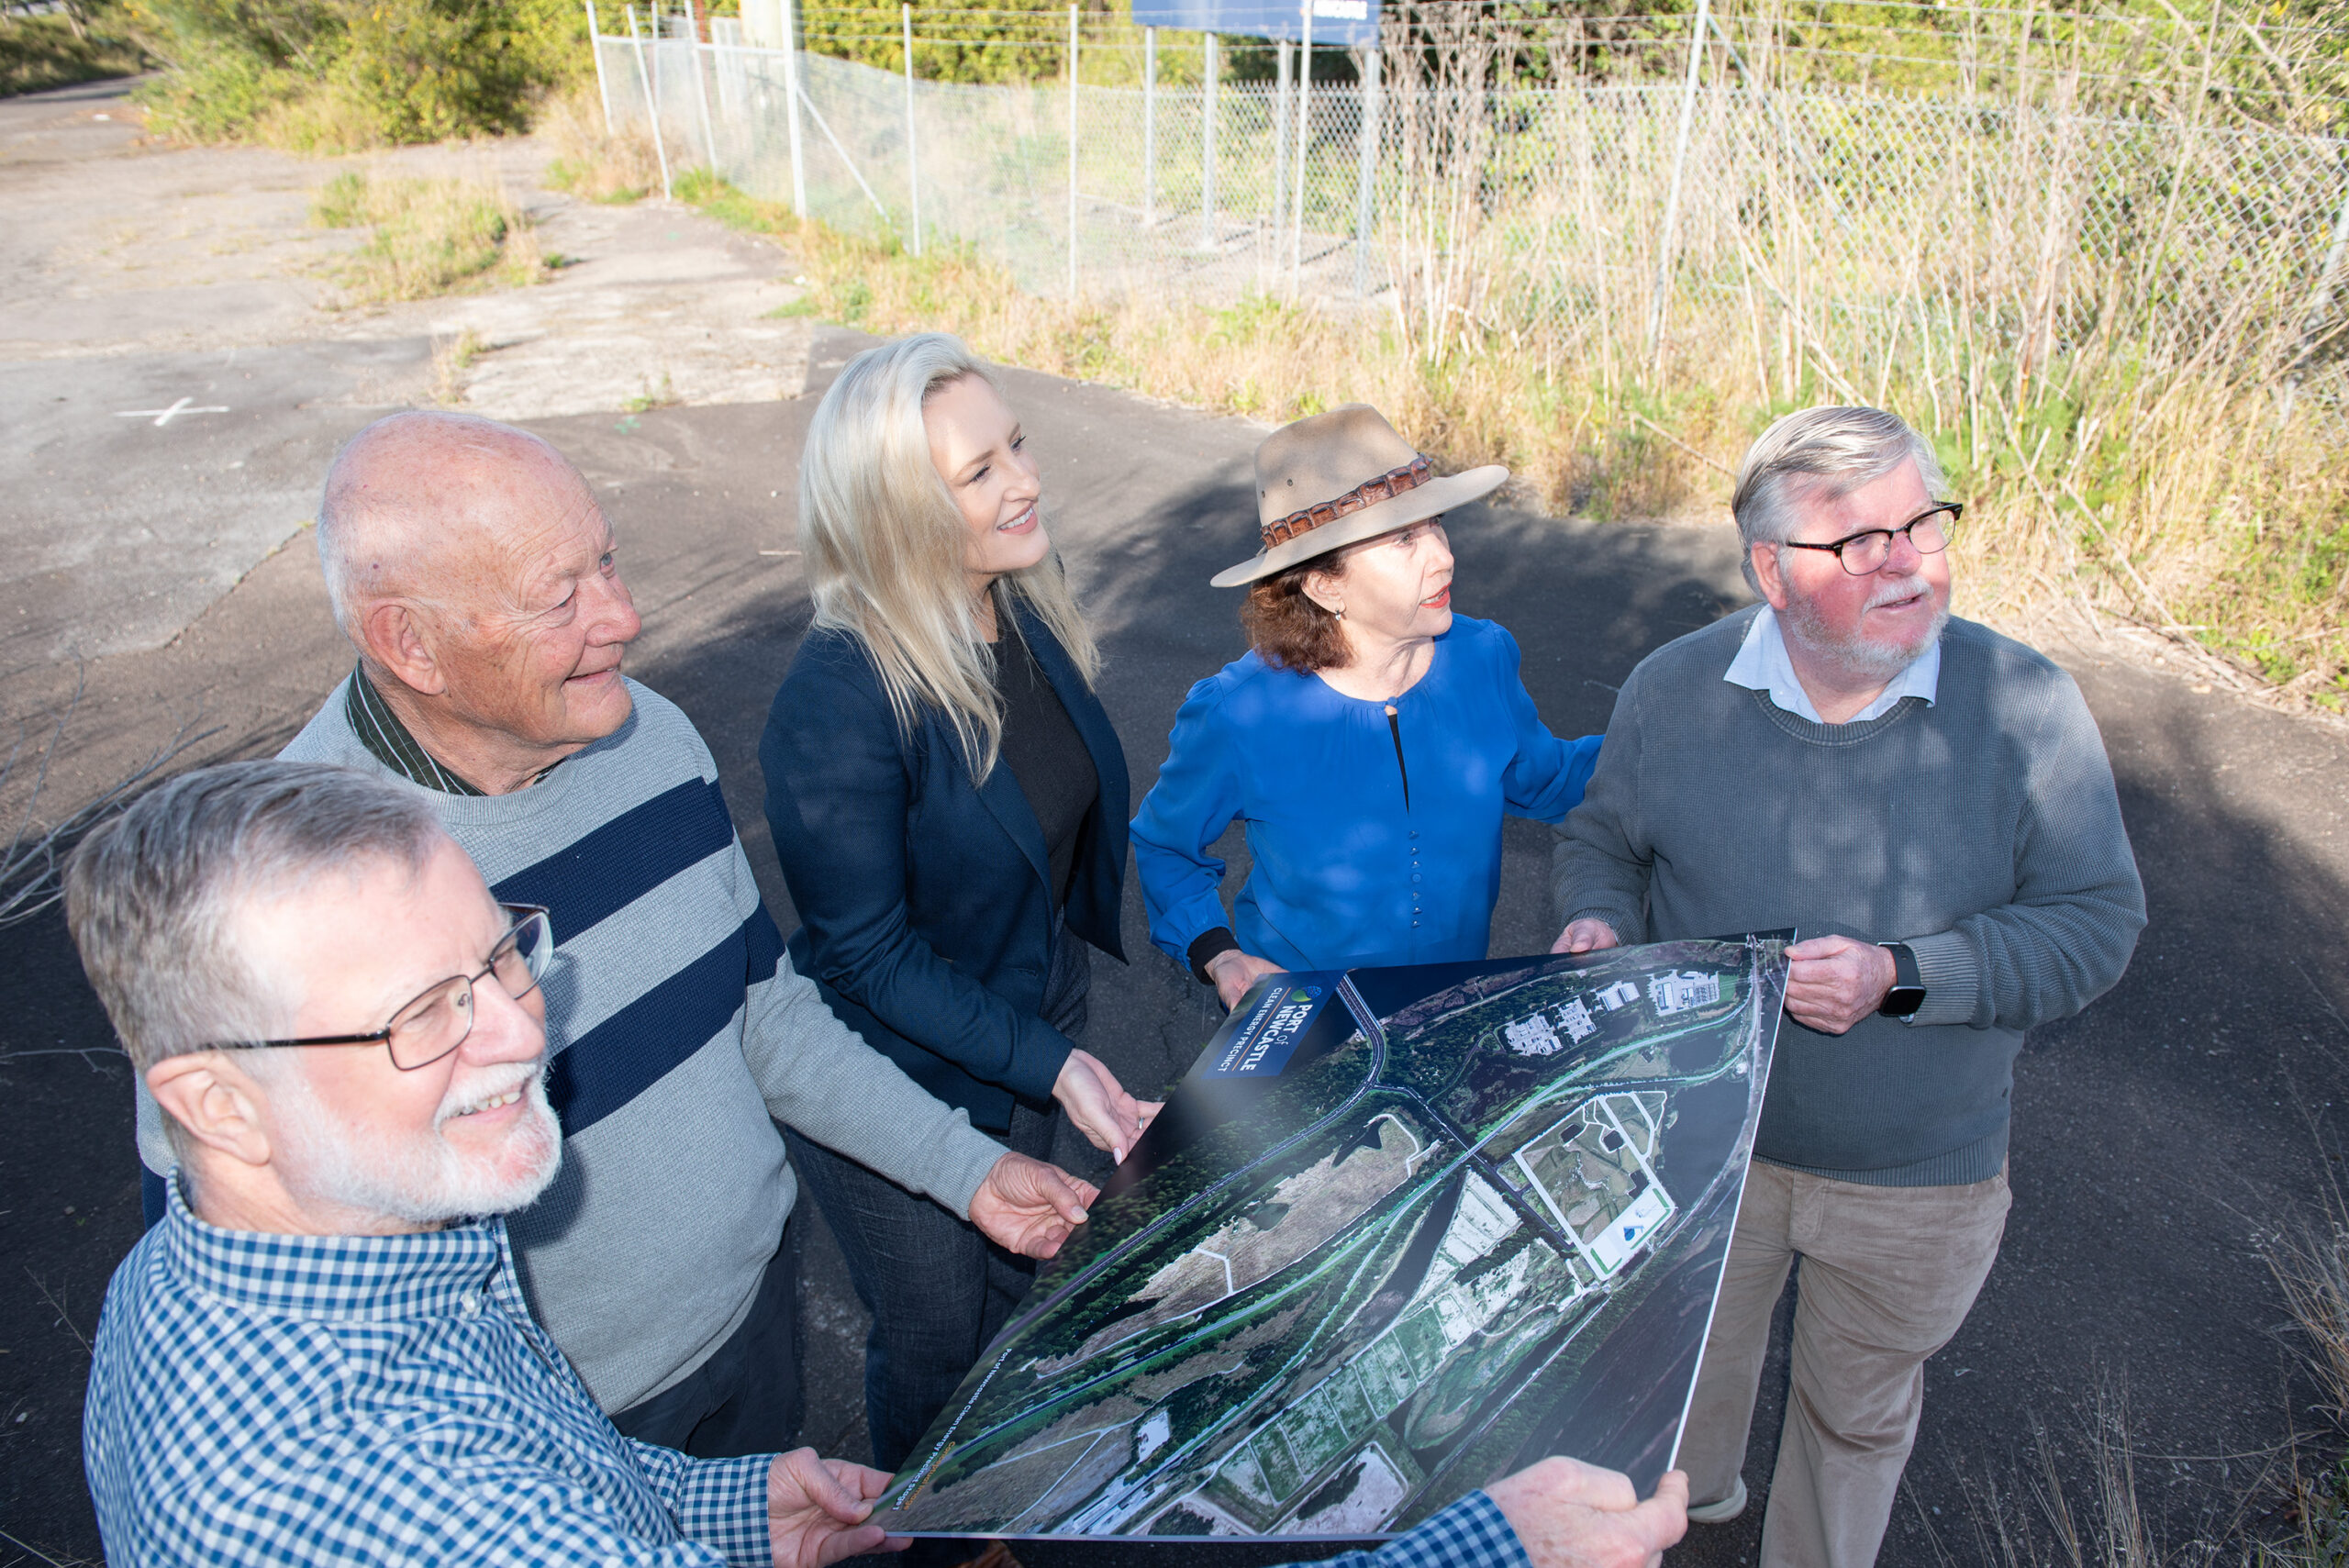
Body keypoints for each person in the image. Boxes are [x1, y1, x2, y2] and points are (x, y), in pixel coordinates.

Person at [70, 761, 1688, 1568]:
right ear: (213, 1097)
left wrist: (717, 1502)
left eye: (504, 956)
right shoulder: (384, 1504)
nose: (517, 1034)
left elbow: (554, 1466)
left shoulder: (295, 1234)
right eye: (426, 1011)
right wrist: (1493, 1540)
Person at [129, 409, 1101, 1462]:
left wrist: (963, 1166)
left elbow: (761, 1012)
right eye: (563, 594)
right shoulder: (263, 899)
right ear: (410, 642)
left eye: (609, 561)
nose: (625, 617)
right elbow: (238, 1309)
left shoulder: (646, 734)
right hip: (546, 1430)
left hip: (752, 1325)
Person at [1552, 406, 2145, 1567]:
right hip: (1701, 1149)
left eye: (1922, 520)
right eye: (1858, 541)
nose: (1909, 561)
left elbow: (2094, 924)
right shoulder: (1672, 690)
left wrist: (1904, 976)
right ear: (1770, 569)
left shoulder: (2027, 707)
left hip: (1918, 1181)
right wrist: (1596, 919)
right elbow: (1602, 842)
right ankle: (1684, 1519)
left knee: (1855, 1421)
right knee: (1675, 1401)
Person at [761, 334, 1158, 1473]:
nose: (1024, 481)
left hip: (1024, 1034)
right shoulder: (837, 694)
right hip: (900, 1079)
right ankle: (926, 1532)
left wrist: (1052, 1032)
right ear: (893, 510)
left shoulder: (1017, 601)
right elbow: (867, 959)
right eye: (977, 472)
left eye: (1015, 446)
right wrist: (1050, 1058)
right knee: (936, 1339)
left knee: (1005, 1300)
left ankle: (992, 1493)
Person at [1130, 404, 1603, 1009]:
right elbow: (1165, 844)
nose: (1442, 555)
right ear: (1325, 586)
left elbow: (1551, 778)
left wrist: (1670, 737)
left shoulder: (1481, 659)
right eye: (1404, 539)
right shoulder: (1239, 713)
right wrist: (1219, 952)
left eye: (1436, 524)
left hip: (1448, 1005)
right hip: (1301, 1015)